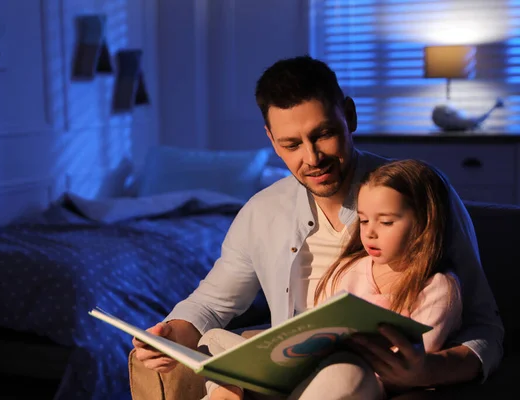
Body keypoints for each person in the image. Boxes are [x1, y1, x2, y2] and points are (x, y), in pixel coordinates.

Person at [132, 56, 504, 398]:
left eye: (323, 134)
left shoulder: (417, 195)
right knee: (211, 343)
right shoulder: (262, 212)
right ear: (271, 141)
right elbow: (211, 304)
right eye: (291, 144)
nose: (312, 158)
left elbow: (484, 325)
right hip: (289, 368)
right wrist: (168, 335)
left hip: (377, 378)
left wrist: (427, 370)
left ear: (349, 116)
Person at [197, 159, 464, 400]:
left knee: (342, 374)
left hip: (368, 378)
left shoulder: (438, 287)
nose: (369, 233)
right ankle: (227, 391)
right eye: (363, 220)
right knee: (212, 339)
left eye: (385, 222)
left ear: (423, 224)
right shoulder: (353, 268)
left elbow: (417, 360)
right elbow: (320, 323)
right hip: (308, 368)